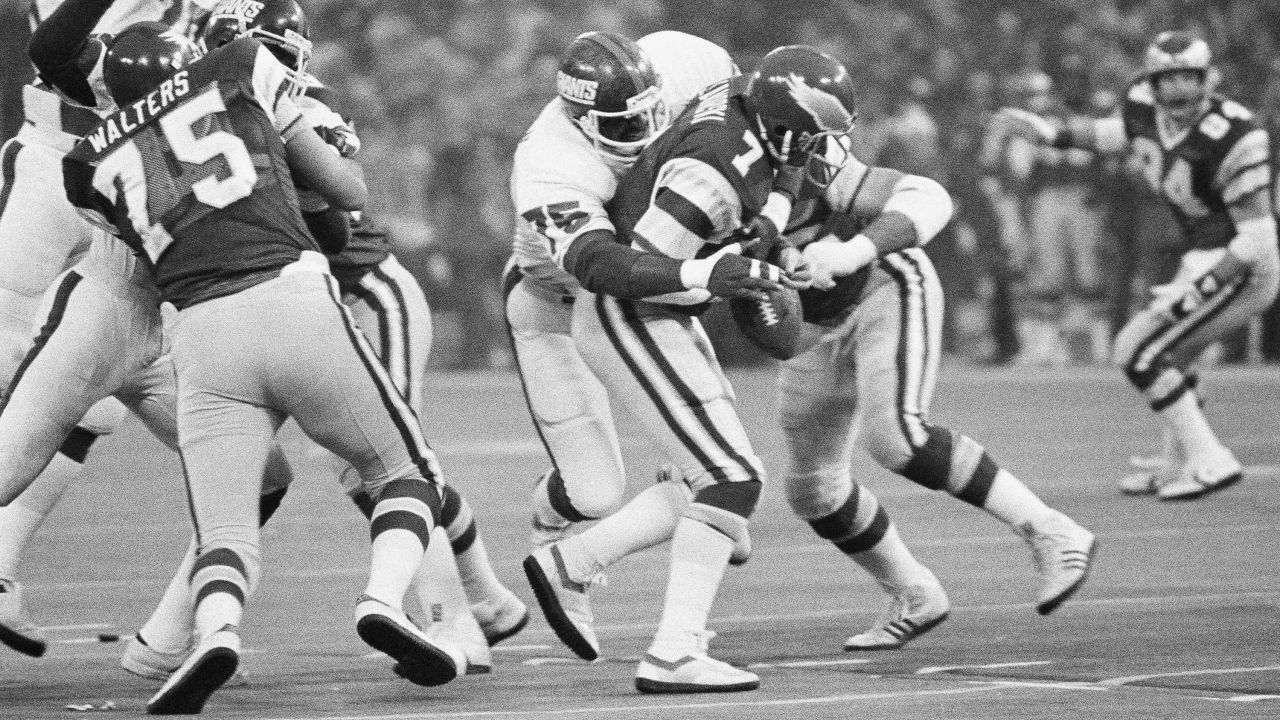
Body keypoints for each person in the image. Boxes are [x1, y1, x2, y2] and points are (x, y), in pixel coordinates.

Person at [57, 22, 465, 714]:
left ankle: (215, 631)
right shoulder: (242, 67)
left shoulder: (85, 163)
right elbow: (347, 191)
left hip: (202, 334)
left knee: (224, 529)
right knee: (405, 472)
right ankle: (382, 599)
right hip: (291, 298)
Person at [118, 0, 524, 682]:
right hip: (285, 303)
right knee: (339, 471)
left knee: (384, 465)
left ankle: (456, 617)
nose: (275, 68)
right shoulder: (220, 110)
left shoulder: (290, 105)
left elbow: (340, 226)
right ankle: (482, 600)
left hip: (360, 293)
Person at [764, 48, 1096, 626]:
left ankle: (1051, 529)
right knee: (812, 490)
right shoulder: (709, 169)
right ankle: (915, 592)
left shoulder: (811, 162)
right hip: (809, 326)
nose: (823, 145)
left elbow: (928, 196)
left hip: (879, 289)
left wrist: (850, 250)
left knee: (895, 437)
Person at [509, 30, 772, 662]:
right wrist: (705, 272)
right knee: (596, 492)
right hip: (560, 304)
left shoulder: (689, 58)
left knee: (709, 472)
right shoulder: (550, 162)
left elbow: (738, 131)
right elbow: (602, 265)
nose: (647, 129)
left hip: (654, 297)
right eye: (625, 124)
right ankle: (556, 529)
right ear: (579, 117)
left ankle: (574, 568)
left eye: (653, 111)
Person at [0, 0, 234, 659]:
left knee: (101, 395)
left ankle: (169, 637)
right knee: (12, 361)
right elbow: (56, 44)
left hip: (147, 195)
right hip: (62, 158)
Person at [996, 31, 1279, 500]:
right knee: (1174, 356)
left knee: (1135, 349)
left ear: (1209, 79)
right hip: (1206, 249)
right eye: (1169, 82)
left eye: (1190, 80)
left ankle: (1210, 458)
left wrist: (1203, 286)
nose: (1180, 93)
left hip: (1244, 262)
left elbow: (1259, 236)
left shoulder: (1236, 134)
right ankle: (1177, 463)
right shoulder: (1142, 107)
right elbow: (1115, 134)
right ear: (1151, 81)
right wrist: (1054, 134)